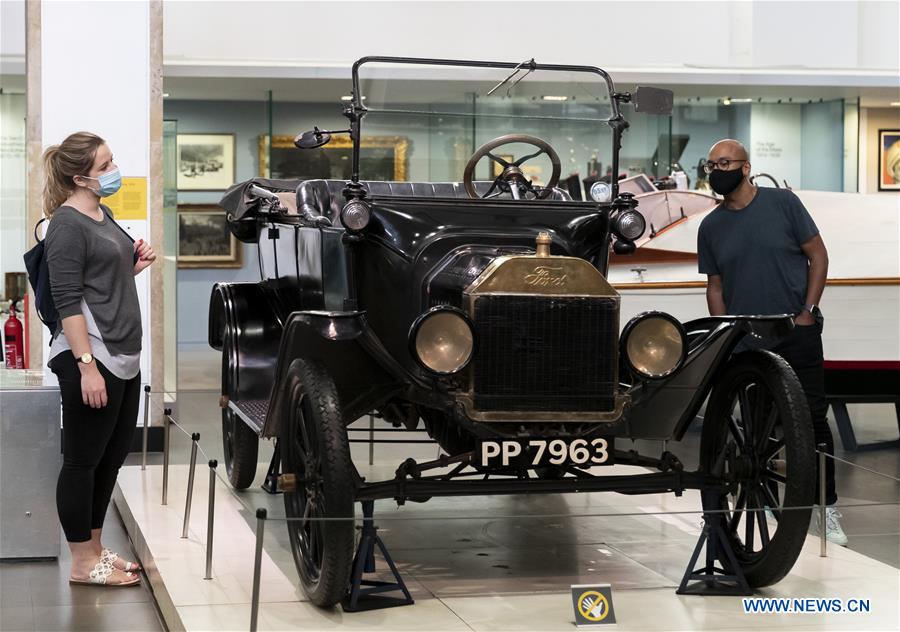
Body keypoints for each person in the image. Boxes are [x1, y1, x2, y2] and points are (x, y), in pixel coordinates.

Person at [696, 139, 846, 546]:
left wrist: (807, 311)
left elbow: (819, 255)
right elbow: (715, 285)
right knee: (756, 426)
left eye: (724, 162)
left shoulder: (783, 204)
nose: (717, 170)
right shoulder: (710, 226)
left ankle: (826, 507)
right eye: (711, 164)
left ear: (746, 167)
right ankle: (760, 501)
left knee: (814, 420)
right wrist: (726, 329)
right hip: (748, 340)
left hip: (796, 331)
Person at [42, 132, 157, 585]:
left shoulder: (101, 212)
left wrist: (131, 266)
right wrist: (87, 366)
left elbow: (97, 279)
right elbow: (68, 300)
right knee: (82, 461)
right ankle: (81, 562)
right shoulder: (67, 224)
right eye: (105, 164)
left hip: (122, 352)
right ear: (80, 177)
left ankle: (95, 548)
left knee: (109, 461)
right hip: (92, 356)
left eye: (112, 161)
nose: (114, 170)